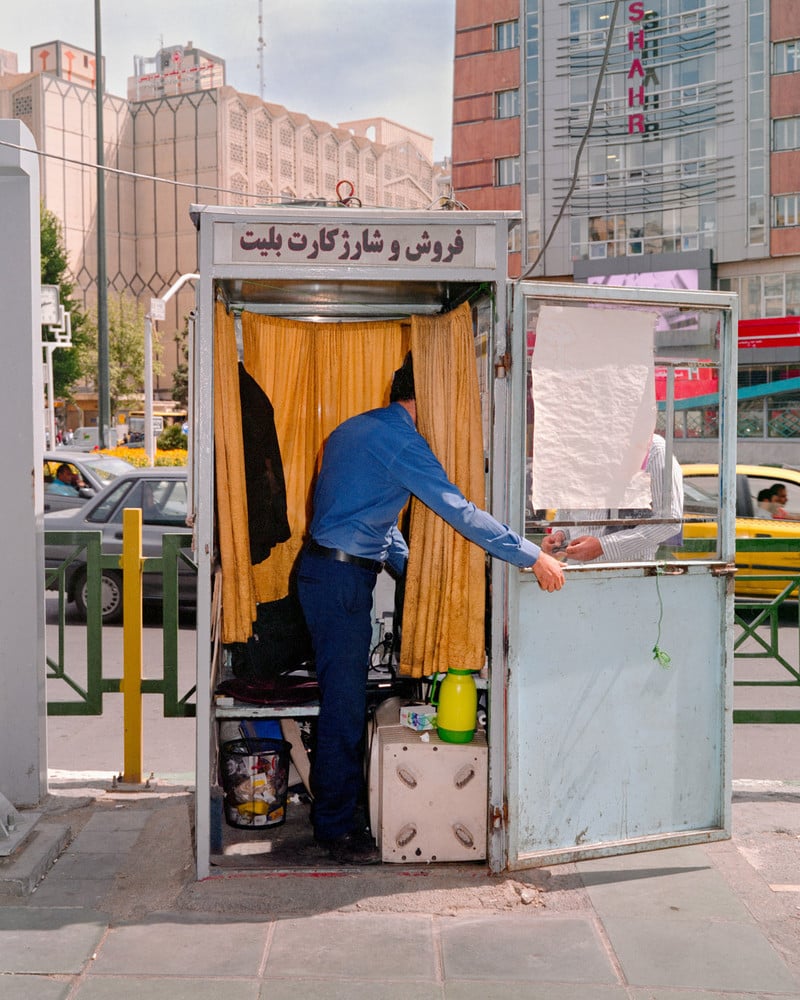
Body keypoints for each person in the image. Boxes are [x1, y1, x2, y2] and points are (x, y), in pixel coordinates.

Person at [297, 352, 564, 865]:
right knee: (344, 706)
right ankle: (334, 830)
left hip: (326, 573)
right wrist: (532, 556)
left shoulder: (356, 428)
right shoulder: (401, 440)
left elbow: (375, 522)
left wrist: (421, 577)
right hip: (340, 580)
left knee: (343, 701)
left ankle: (340, 814)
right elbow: (459, 510)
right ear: (429, 397)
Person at [540, 434, 684, 563]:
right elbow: (568, 511)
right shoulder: (579, 450)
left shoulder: (654, 449)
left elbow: (669, 521)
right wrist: (559, 534)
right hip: (577, 571)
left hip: (631, 573)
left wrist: (604, 547)